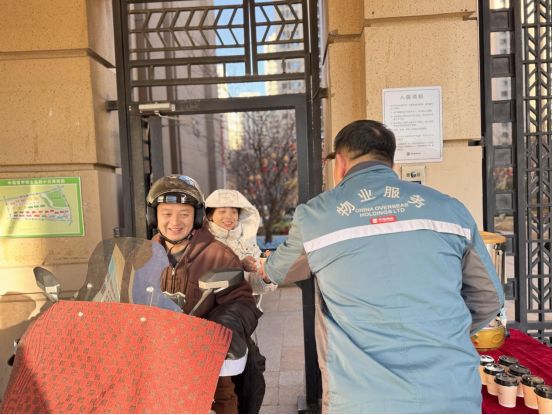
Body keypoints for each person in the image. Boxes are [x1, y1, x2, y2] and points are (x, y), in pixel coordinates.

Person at [260, 120, 504, 414]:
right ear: (392, 162)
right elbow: (489, 297)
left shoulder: (315, 216)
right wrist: (445, 331)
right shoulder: (450, 209)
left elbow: (278, 271)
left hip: (359, 399)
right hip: (452, 393)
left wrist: (263, 266)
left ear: (340, 163)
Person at [146, 175, 259, 415]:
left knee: (223, 397)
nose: (175, 222)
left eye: (184, 214)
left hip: (206, 357)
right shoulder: (144, 256)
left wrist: (225, 324)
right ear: (153, 216)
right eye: (166, 213)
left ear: (197, 217)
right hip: (156, 355)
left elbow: (242, 301)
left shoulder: (219, 254)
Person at [205, 189, 277, 298]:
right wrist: (239, 265)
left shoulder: (247, 242)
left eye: (234, 212)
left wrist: (265, 277)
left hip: (243, 305)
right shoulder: (202, 241)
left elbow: (254, 284)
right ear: (209, 215)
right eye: (222, 211)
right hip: (210, 306)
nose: (229, 216)